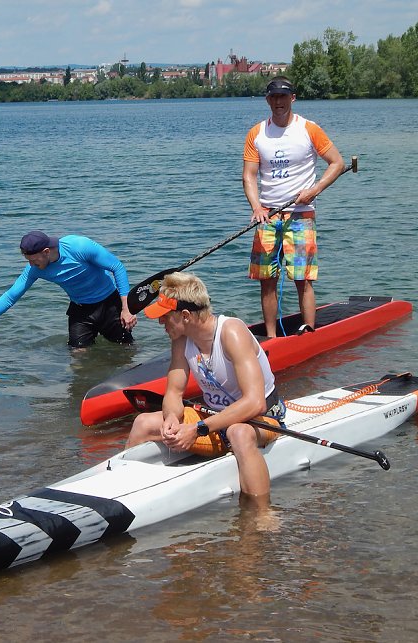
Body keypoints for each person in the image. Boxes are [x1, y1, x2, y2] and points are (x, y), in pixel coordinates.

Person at [125, 272, 285, 500]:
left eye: (165, 316)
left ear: (186, 315)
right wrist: (171, 418)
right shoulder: (180, 339)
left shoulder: (231, 333)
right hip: (213, 419)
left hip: (260, 418)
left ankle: (260, 513)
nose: (161, 322)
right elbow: (174, 392)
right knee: (143, 423)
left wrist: (198, 429)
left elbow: (255, 403)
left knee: (238, 432)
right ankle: (124, 491)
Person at [242, 76, 345, 337]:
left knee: (303, 279)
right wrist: (256, 207)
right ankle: (270, 337)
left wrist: (314, 190)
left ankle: (308, 333)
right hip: (268, 217)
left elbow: (337, 163)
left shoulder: (309, 129)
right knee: (266, 280)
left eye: (284, 96)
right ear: (268, 100)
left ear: (293, 98)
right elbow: (249, 176)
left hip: (301, 216)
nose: (279, 101)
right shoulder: (256, 134)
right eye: (274, 97)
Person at [0, 231, 137, 348]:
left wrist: (126, 308)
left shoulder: (79, 246)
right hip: (80, 310)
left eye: (34, 260)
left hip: (109, 304)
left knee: (125, 348)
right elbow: (10, 297)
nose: (31, 265)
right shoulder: (34, 269)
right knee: (78, 355)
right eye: (28, 261)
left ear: (46, 251)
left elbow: (117, 267)